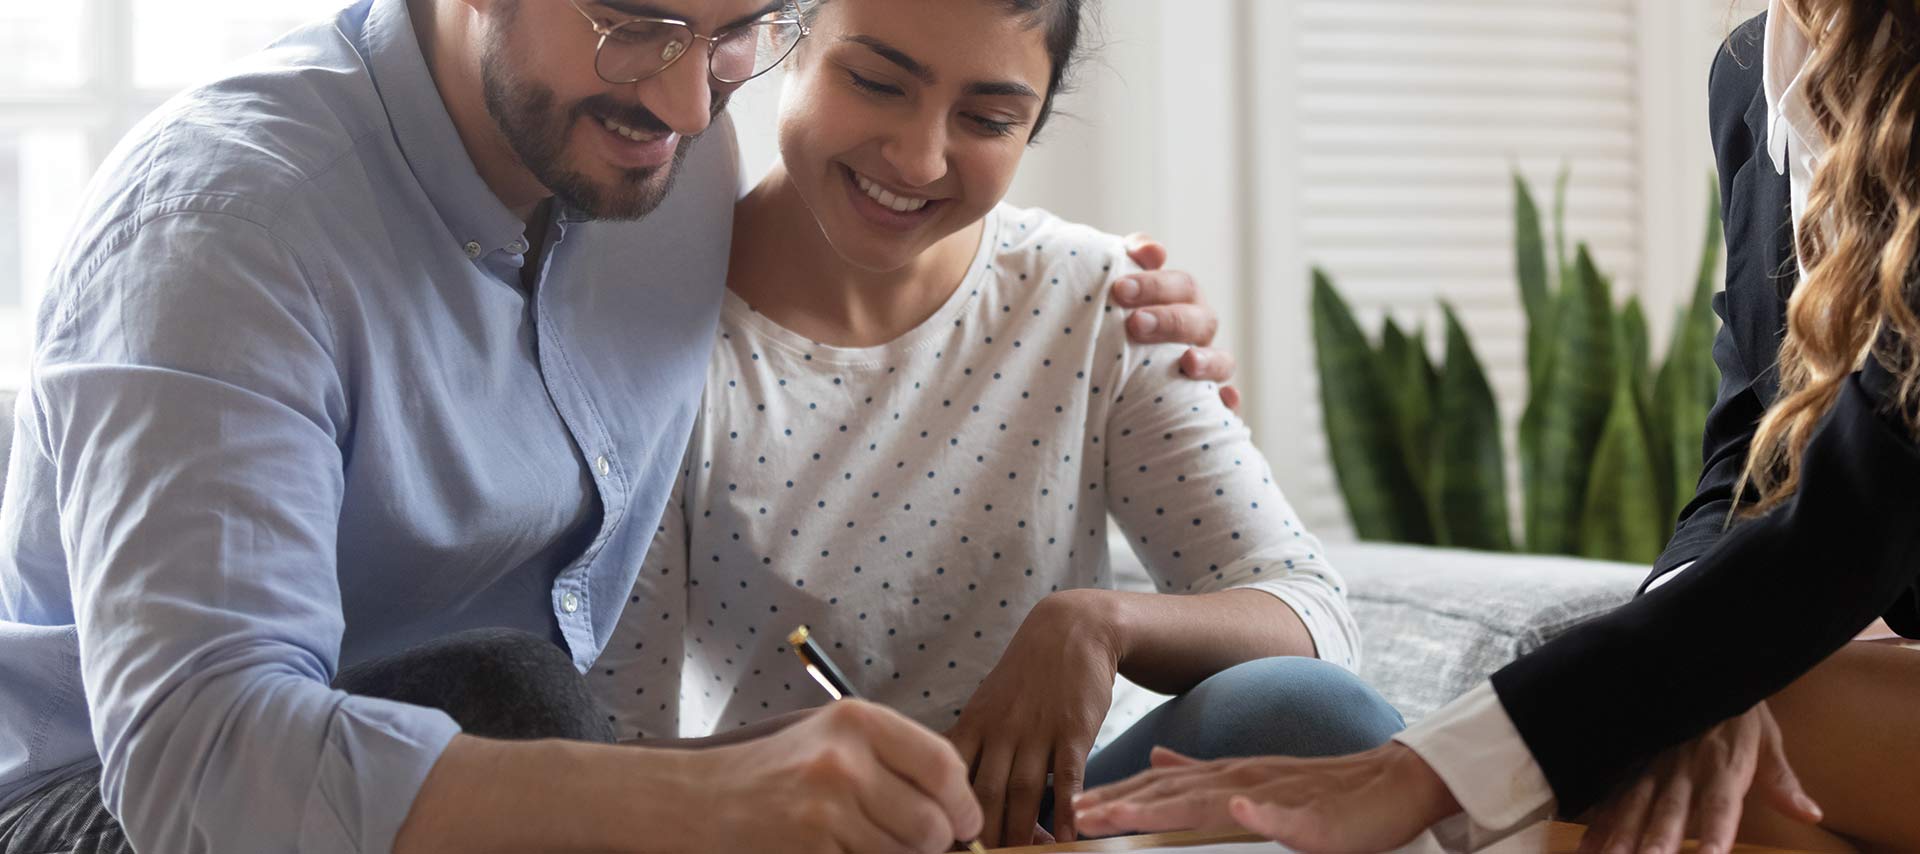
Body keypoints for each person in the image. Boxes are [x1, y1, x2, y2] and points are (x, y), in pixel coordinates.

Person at [0, 1, 1232, 852]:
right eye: (636, 25)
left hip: (512, 748)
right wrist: (693, 799)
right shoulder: (225, 228)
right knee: (510, 682)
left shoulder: (661, 143)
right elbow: (198, 765)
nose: (691, 99)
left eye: (738, 30)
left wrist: (1109, 294)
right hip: (112, 796)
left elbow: (879, 237)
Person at [1071, 2, 1920, 852]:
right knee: (1684, 769)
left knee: (1658, 727)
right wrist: (1704, 658)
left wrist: (1429, 770)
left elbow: (1862, 507)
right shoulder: (1755, 71)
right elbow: (1748, 456)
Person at [587, 0, 1403, 847]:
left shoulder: (1096, 299)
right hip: (788, 826)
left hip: (1058, 828)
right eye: (873, 81)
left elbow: (1313, 619)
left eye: (987, 118)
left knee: (1310, 712)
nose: (917, 157)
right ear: (783, 42)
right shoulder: (652, 347)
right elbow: (623, 747)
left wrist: (1096, 625)